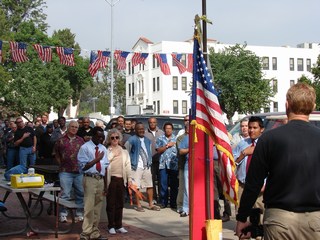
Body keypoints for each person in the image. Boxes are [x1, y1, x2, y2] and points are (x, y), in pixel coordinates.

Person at [235, 83, 320, 239]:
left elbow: (253, 183)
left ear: (287, 105)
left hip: (279, 219)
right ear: (313, 106)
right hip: (315, 222)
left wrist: (242, 217)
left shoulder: (268, 138)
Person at [78, 127, 109, 240]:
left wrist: (106, 185)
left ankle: (94, 232)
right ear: (93, 136)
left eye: (102, 137)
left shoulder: (103, 148)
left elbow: (105, 168)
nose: (100, 139)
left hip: (100, 179)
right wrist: (97, 159)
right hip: (90, 178)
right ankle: (85, 233)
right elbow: (83, 167)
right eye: (98, 136)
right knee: (89, 206)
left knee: (97, 207)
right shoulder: (85, 147)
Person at [124, 122, 160, 212]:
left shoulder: (147, 140)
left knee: (150, 185)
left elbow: (149, 152)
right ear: (135, 130)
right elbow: (126, 151)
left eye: (142, 129)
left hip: (147, 166)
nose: (141, 130)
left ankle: (151, 204)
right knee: (136, 187)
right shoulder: (132, 140)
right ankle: (139, 205)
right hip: (136, 167)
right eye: (139, 129)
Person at [54, 120, 85, 223]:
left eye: (76, 127)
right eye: (72, 127)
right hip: (65, 171)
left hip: (78, 171)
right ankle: (63, 214)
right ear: (68, 127)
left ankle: (79, 213)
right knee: (65, 194)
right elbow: (56, 153)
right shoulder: (61, 140)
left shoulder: (81, 141)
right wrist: (60, 163)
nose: (74, 129)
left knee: (80, 192)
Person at [233, 116, 264, 209]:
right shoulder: (242, 144)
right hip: (243, 185)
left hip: (259, 186)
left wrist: (265, 183)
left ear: (262, 129)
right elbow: (234, 162)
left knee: (259, 216)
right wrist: (244, 153)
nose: (251, 130)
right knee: (242, 215)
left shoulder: (266, 144)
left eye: (255, 128)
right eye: (250, 127)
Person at [105, 128, 131, 234]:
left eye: (117, 137)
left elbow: (127, 165)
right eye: (112, 138)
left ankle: (119, 225)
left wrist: (129, 179)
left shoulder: (124, 151)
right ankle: (111, 225)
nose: (115, 139)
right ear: (109, 139)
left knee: (120, 203)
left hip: (121, 180)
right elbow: (106, 162)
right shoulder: (107, 150)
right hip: (111, 179)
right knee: (111, 203)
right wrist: (113, 154)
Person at [155, 122, 179, 209]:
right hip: (163, 165)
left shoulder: (176, 139)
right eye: (166, 128)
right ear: (164, 129)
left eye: (170, 128)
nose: (168, 130)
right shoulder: (160, 139)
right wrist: (168, 145)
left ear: (172, 129)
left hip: (174, 165)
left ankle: (173, 203)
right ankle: (163, 202)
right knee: (163, 184)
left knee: (174, 185)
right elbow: (158, 150)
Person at [144, 117, 164, 204]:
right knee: (151, 180)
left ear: (156, 123)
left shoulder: (161, 133)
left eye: (154, 122)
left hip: (160, 160)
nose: (152, 124)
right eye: (150, 122)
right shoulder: (145, 133)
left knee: (161, 179)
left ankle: (161, 197)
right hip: (150, 160)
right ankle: (153, 197)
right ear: (148, 123)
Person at [176, 115, 189, 213]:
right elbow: (180, 151)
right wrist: (191, 149)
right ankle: (184, 207)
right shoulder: (183, 138)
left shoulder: (200, 137)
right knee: (185, 187)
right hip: (186, 165)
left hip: (199, 167)